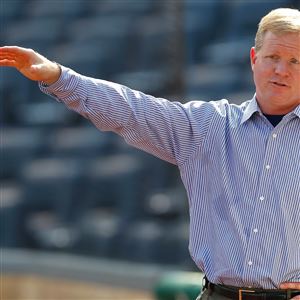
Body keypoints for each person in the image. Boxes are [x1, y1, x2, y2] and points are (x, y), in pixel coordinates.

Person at [0, 7, 299, 300]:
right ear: (253, 59)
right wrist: (58, 76)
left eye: (295, 61)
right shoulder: (210, 126)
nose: (281, 70)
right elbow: (132, 110)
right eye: (273, 57)